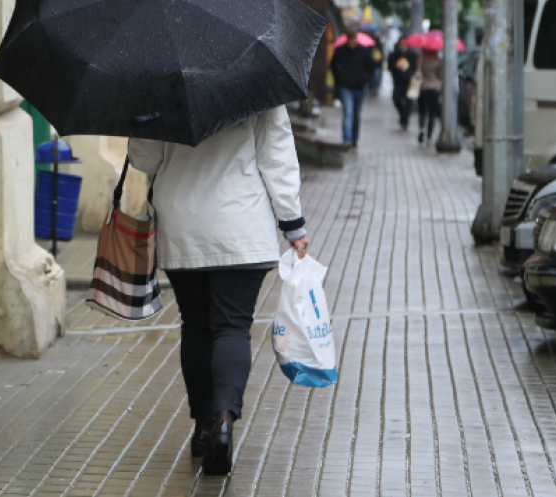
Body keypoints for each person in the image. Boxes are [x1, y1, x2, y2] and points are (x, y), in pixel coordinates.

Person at [127, 107, 309, 475]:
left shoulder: (163, 84)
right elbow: (277, 153)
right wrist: (293, 224)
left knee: (195, 326)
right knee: (232, 327)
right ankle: (225, 419)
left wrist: (139, 122)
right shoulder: (260, 78)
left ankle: (203, 427)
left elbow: (145, 160)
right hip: (241, 224)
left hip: (182, 224)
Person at [330, 26, 377, 147]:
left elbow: (371, 67)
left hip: (359, 87)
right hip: (346, 86)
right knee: (348, 112)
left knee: (356, 114)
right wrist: (340, 78)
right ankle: (347, 139)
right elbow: (333, 65)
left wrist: (365, 79)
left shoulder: (364, 52)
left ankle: (354, 139)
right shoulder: (340, 51)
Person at [387, 36, 418, 130]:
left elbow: (415, 67)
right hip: (398, 81)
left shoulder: (412, 55)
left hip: (409, 82)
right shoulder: (394, 55)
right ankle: (403, 115)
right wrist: (395, 67)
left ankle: (405, 119)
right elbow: (390, 66)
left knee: (409, 102)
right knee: (396, 99)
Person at [417, 48, 443, 144]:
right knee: (432, 114)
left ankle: (421, 129)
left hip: (423, 87)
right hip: (435, 88)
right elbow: (441, 75)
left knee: (422, 111)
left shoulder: (421, 60)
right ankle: (429, 136)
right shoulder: (438, 61)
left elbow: (418, 71)